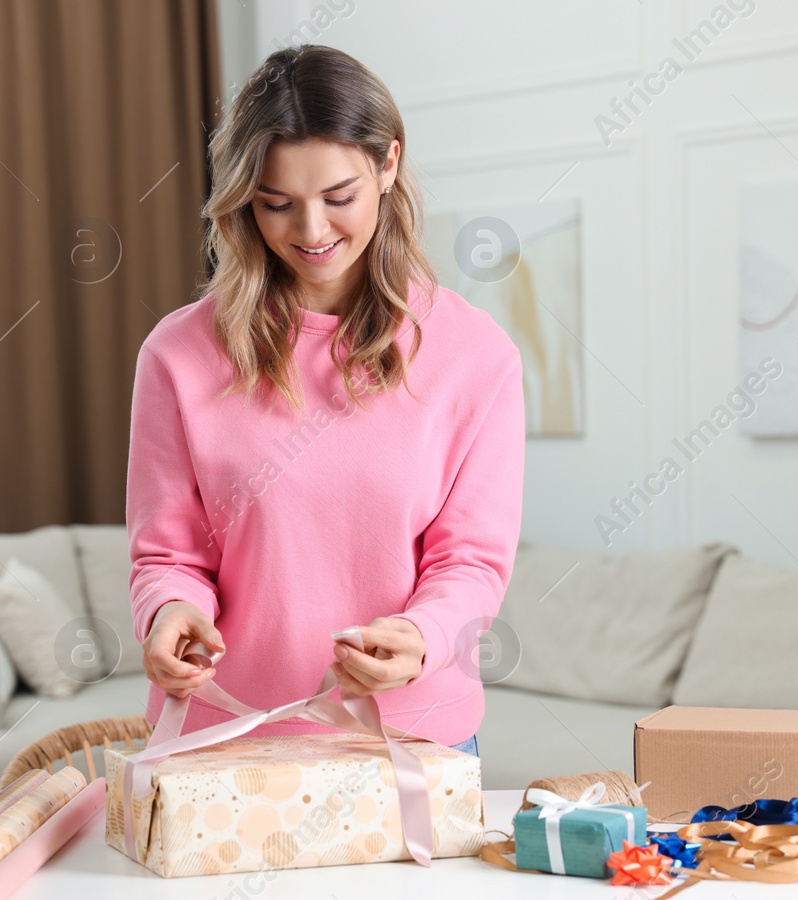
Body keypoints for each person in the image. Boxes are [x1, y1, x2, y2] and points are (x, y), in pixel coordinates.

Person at [128, 45, 524, 761]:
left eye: (339, 197)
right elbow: (167, 553)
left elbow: (470, 560)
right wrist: (170, 611)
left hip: (409, 738)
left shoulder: (478, 354)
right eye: (276, 204)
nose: (311, 233)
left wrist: (425, 638)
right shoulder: (176, 355)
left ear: (388, 165)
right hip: (226, 736)